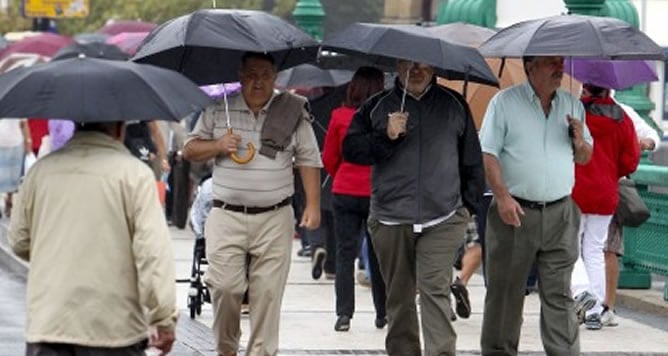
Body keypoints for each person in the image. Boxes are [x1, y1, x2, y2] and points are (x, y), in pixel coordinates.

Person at [183, 52, 322, 356]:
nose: (259, 81)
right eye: (252, 74)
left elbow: (309, 158)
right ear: (241, 76)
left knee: (268, 295)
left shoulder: (291, 111)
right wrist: (218, 145)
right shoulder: (219, 110)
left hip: (275, 216)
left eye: (266, 75)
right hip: (226, 214)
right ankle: (226, 348)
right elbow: (190, 149)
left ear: (275, 78)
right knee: (225, 288)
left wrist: (313, 205)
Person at [343, 60, 484, 355]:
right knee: (400, 296)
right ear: (399, 64)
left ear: (434, 68)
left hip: (444, 215)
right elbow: (352, 150)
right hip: (391, 217)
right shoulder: (376, 105)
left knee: (435, 289)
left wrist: (466, 208)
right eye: (410, 64)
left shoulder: (454, 103)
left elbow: (471, 158)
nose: (417, 70)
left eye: (424, 65)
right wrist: (387, 135)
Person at [8, 121, 177, 356]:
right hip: (114, 329)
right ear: (119, 129)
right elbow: (152, 254)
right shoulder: (135, 175)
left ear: (75, 126)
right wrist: (163, 318)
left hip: (49, 325)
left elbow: (18, 240)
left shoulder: (41, 171)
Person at [479, 55, 593, 356]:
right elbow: (488, 153)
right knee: (505, 294)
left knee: (559, 294)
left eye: (561, 62)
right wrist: (502, 197)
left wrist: (580, 141)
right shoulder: (504, 103)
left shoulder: (572, 104)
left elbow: (584, 157)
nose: (559, 68)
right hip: (514, 212)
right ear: (531, 66)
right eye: (550, 62)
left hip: (560, 213)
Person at [570, 83, 640, 330]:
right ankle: (597, 310)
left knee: (570, 247)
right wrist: (610, 172)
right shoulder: (622, 118)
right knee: (595, 250)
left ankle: (582, 292)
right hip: (606, 191)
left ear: (585, 90)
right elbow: (630, 161)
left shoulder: (575, 114)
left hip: (575, 190)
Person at [322, 66, 387, 331]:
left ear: (353, 87)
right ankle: (382, 313)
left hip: (345, 190)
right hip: (376, 193)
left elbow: (329, 157)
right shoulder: (384, 117)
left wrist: (343, 174)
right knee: (379, 255)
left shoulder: (339, 116)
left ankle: (344, 314)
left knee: (344, 254)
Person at [601, 97, 661, 327]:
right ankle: (596, 303)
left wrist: (640, 142)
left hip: (610, 188)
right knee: (600, 249)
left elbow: (652, 136)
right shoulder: (574, 106)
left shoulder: (621, 111)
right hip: (589, 187)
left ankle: (606, 304)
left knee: (608, 249)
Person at [0, 118, 31, 218]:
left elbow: (24, 124)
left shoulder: (17, 105)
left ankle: (9, 199)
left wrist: (28, 141)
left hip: (16, 143)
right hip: (1, 143)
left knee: (13, 176)